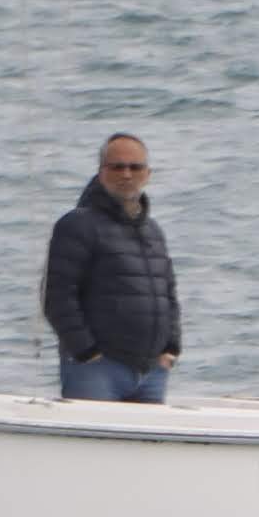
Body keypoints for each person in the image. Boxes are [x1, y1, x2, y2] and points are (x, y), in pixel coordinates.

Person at [43, 132, 181, 404]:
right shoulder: (77, 225)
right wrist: (86, 351)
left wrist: (171, 348)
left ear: (147, 174)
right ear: (101, 172)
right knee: (92, 434)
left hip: (152, 372)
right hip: (97, 370)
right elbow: (56, 295)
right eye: (117, 167)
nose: (126, 174)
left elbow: (169, 294)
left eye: (135, 167)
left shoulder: (153, 231)